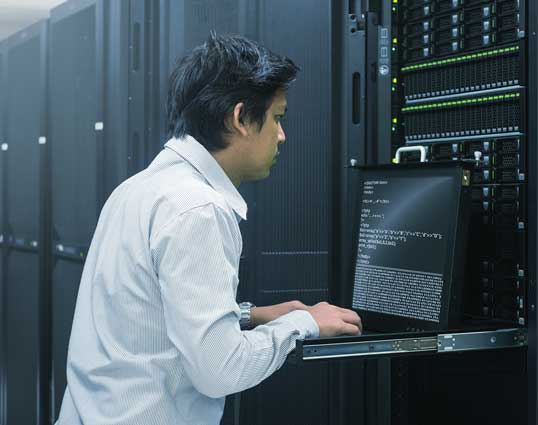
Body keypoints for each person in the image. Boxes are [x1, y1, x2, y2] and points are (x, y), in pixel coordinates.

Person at [56, 33, 362, 425]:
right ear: (239, 119)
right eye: (277, 118)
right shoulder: (199, 208)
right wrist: (304, 323)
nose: (282, 135)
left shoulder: (137, 189)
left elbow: (149, 318)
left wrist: (251, 315)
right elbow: (221, 369)